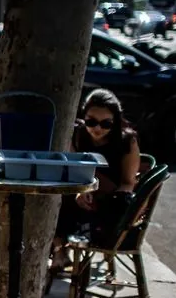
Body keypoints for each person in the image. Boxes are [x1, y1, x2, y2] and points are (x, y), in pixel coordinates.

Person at [55, 89, 141, 249]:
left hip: (110, 197)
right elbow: (71, 170)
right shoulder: (77, 134)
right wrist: (82, 191)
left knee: (115, 206)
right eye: (91, 122)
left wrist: (104, 198)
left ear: (115, 121)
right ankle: (60, 251)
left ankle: (66, 249)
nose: (98, 129)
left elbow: (128, 183)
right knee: (58, 196)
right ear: (84, 117)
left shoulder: (126, 141)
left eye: (106, 123)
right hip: (78, 191)